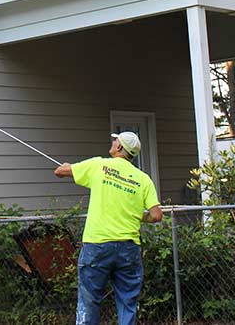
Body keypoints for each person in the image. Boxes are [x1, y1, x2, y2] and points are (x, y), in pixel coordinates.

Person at [54, 132, 163, 325]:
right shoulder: (143, 179)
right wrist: (138, 214)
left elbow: (60, 172)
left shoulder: (99, 165)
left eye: (116, 140)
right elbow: (156, 215)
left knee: (89, 301)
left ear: (120, 147)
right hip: (128, 248)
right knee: (127, 301)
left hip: (97, 245)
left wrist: (67, 167)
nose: (113, 142)